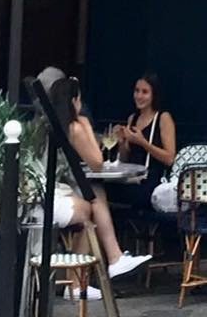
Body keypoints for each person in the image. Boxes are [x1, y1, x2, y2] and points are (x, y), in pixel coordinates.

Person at [47, 73, 151, 295]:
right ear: (74, 101)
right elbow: (97, 162)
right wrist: (84, 121)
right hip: (53, 195)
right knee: (93, 199)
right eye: (79, 100)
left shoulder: (52, 124)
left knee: (95, 193)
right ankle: (110, 261)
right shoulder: (74, 128)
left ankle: (94, 272)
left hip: (55, 188)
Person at [112, 72, 177, 205]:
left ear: (154, 95)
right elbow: (124, 159)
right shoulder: (132, 118)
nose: (139, 96)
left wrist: (143, 142)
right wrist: (121, 141)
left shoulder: (163, 118)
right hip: (132, 178)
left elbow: (170, 158)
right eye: (137, 91)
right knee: (100, 189)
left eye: (145, 92)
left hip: (151, 180)